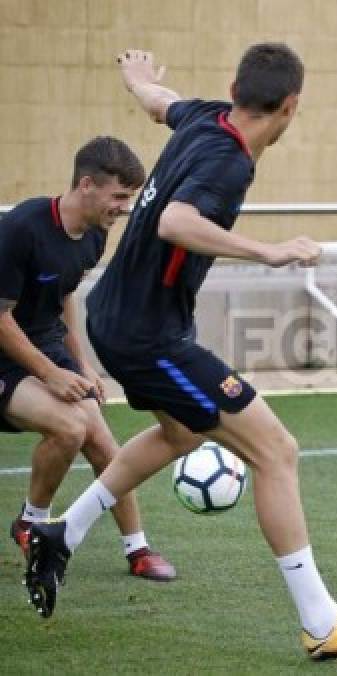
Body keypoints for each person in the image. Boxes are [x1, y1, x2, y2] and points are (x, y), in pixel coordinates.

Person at [24, 45, 337, 660]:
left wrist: (138, 79)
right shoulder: (228, 162)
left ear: (233, 89)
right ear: (290, 106)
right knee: (277, 451)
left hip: (118, 321)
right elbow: (177, 221)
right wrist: (270, 250)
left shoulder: (205, 116)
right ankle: (322, 622)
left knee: (179, 436)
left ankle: (59, 532)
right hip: (151, 337)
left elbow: (161, 104)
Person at [1, 137, 176, 581]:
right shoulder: (21, 228)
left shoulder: (95, 236)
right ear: (86, 185)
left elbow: (64, 297)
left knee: (102, 441)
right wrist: (50, 373)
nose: (123, 207)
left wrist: (81, 366)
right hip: (5, 352)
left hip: (44, 346)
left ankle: (137, 549)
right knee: (70, 425)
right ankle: (32, 523)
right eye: (118, 196)